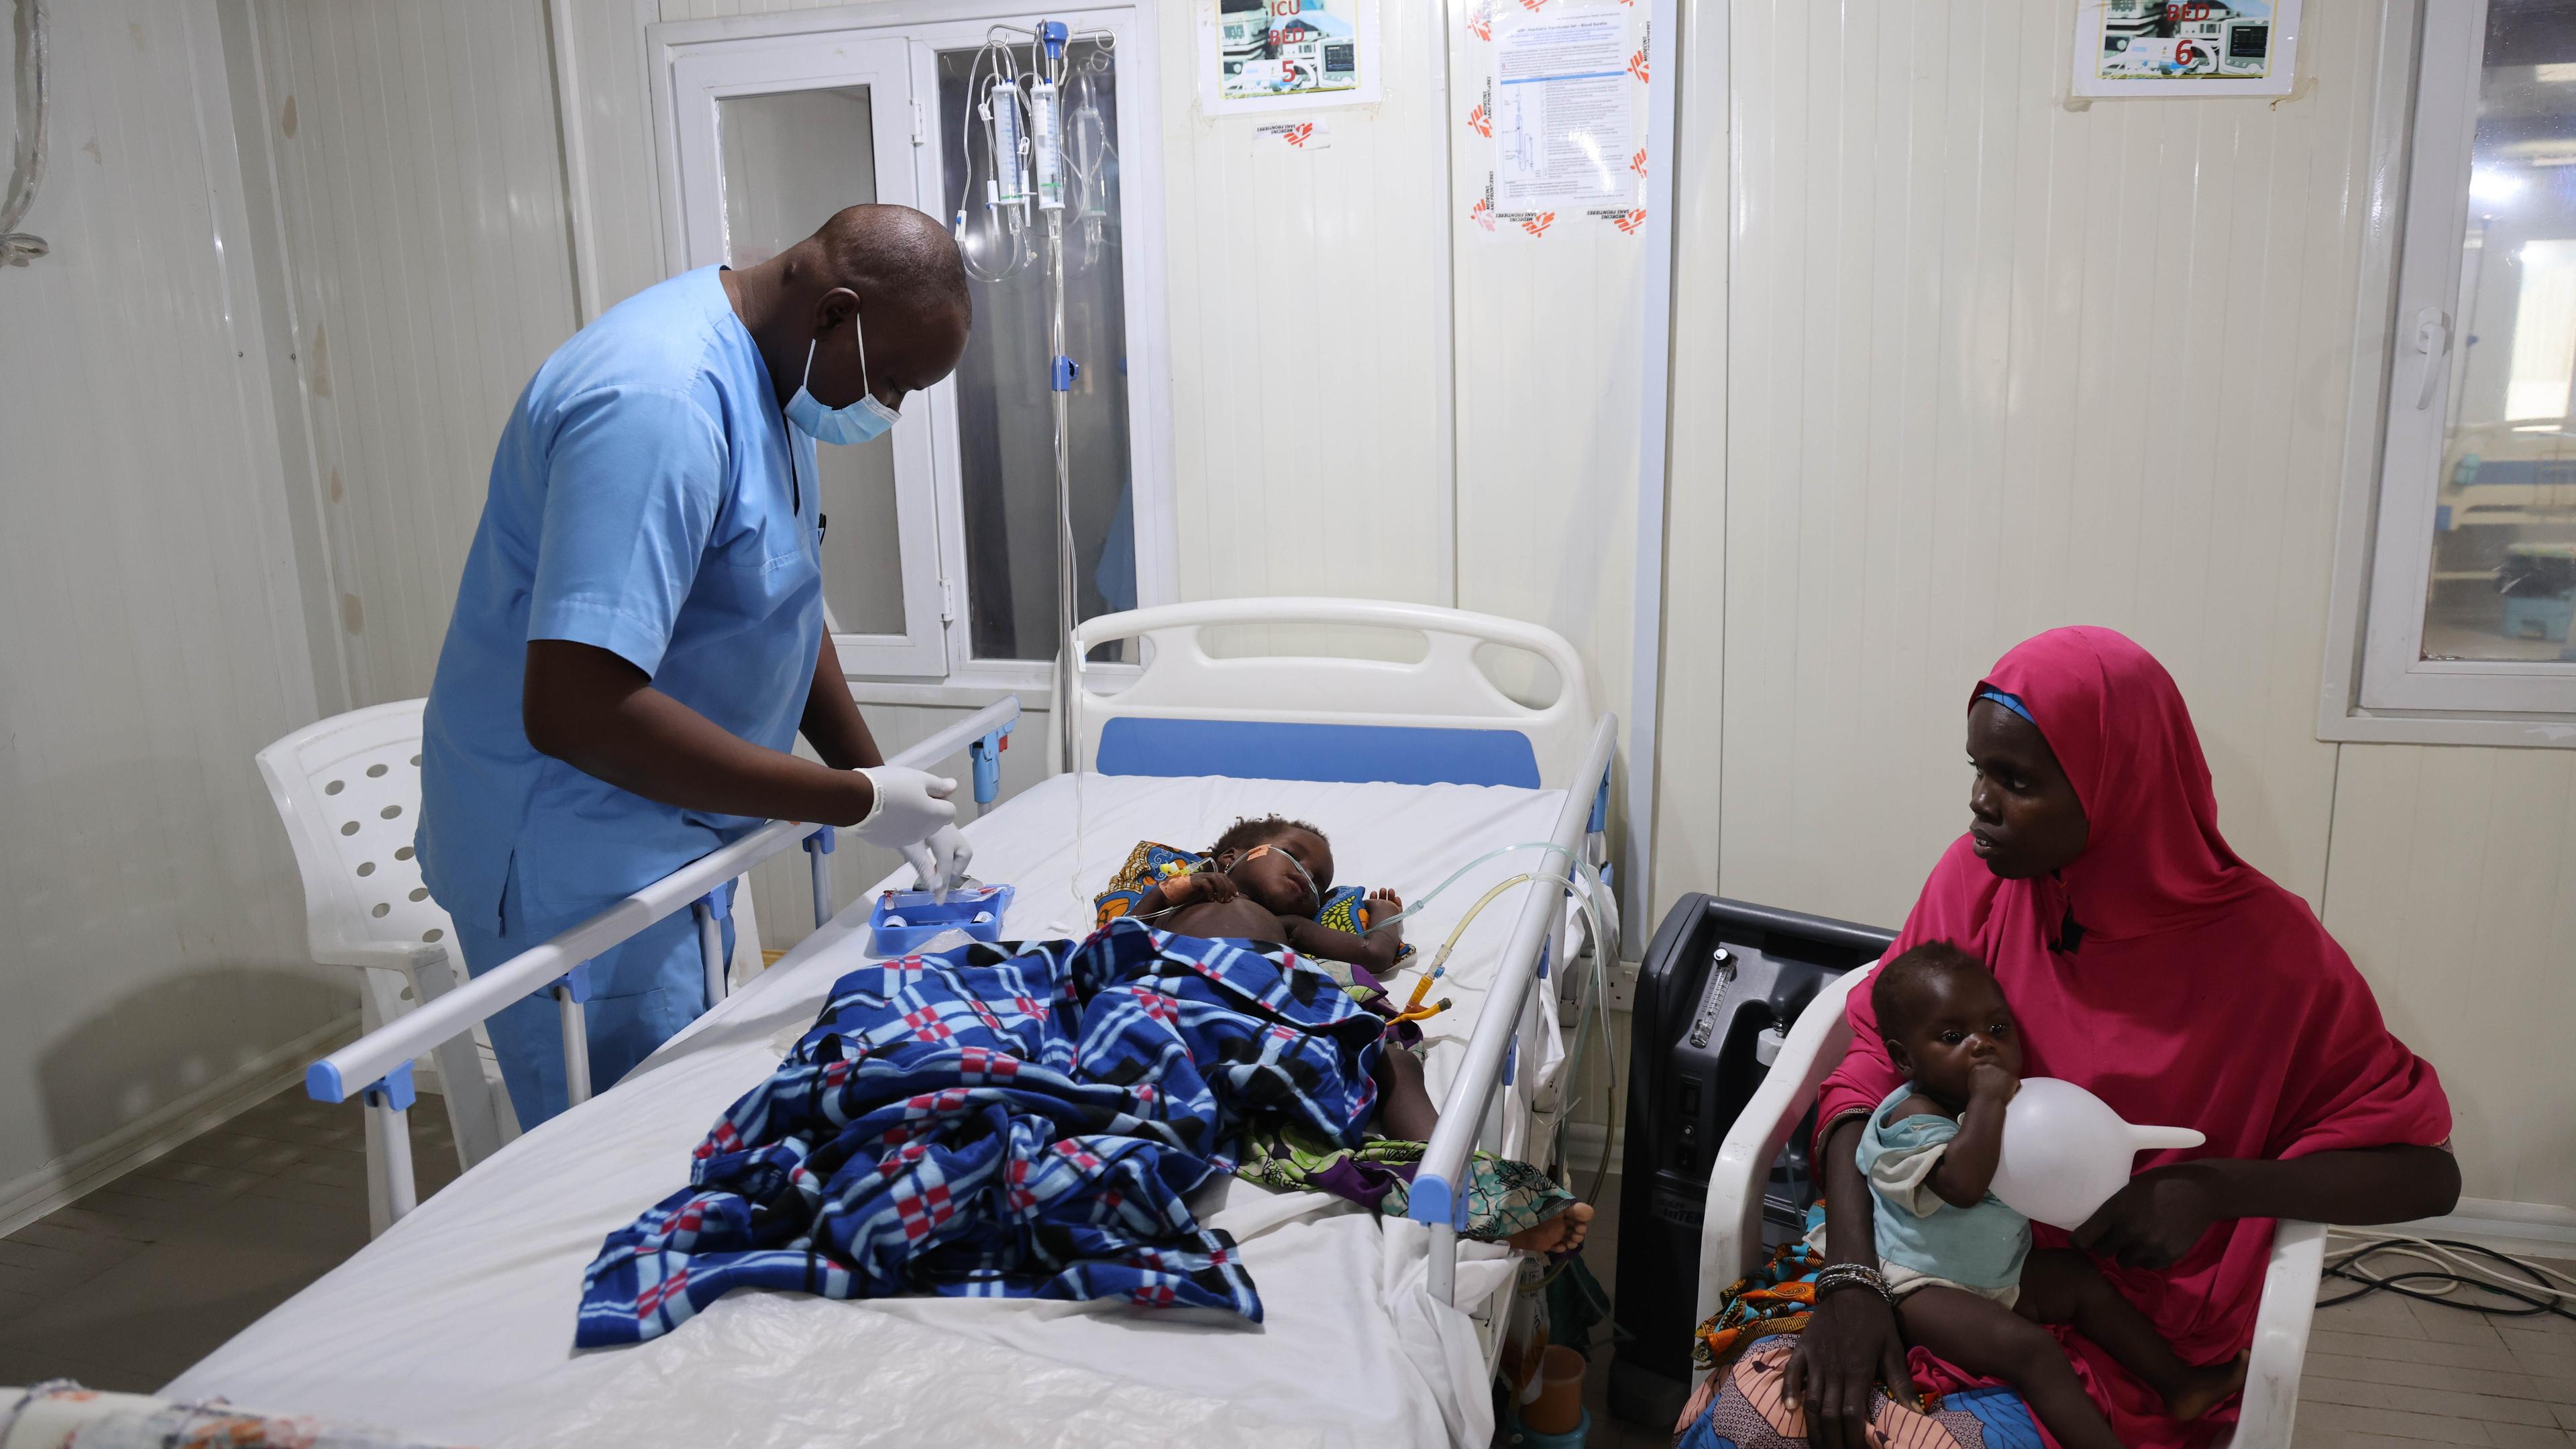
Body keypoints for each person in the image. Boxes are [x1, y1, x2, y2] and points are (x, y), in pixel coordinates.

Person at [1782, 627, 2456, 1449]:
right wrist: (1849, 1279)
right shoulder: (1981, 881)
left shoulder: (2273, 955)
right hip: (1940, 1268)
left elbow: (2426, 1177)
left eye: (2016, 780)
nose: (1980, 803)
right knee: (1754, 1421)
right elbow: (1866, 1074)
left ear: (2122, 786)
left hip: (2131, 1335)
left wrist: (2214, 1190)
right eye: (1978, 770)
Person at [418, 205, 977, 1128]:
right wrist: (853, 803)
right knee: (628, 1166)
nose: (892, 411)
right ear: (835, 313)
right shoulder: (661, 404)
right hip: (575, 846)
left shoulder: (779, 373)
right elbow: (574, 708)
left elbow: (779, 603)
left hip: (664, 831)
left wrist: (870, 774)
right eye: (895, 385)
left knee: (692, 1133)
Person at [1120, 814, 1595, 1254]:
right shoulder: (1182, 906)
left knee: (1389, 1057)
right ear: (1232, 859)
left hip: (1263, 1005)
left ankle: (1456, 1182)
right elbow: (1121, 940)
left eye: (1318, 883)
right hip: (1173, 994)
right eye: (1296, 857)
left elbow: (1372, 955)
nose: (1308, 878)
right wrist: (1170, 892)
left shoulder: (1289, 926)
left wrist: (1386, 915)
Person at [1850, 941, 2245, 1449]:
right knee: (2032, 1352)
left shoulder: (2003, 1107)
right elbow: (1962, 1186)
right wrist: (1990, 1098)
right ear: (1905, 1059)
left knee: (2082, 1281)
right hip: (1920, 1285)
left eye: (1997, 1029)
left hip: (1999, 1272)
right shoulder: (1913, 1117)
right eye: (1953, 1036)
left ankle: (2180, 1385)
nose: (1982, 1046)